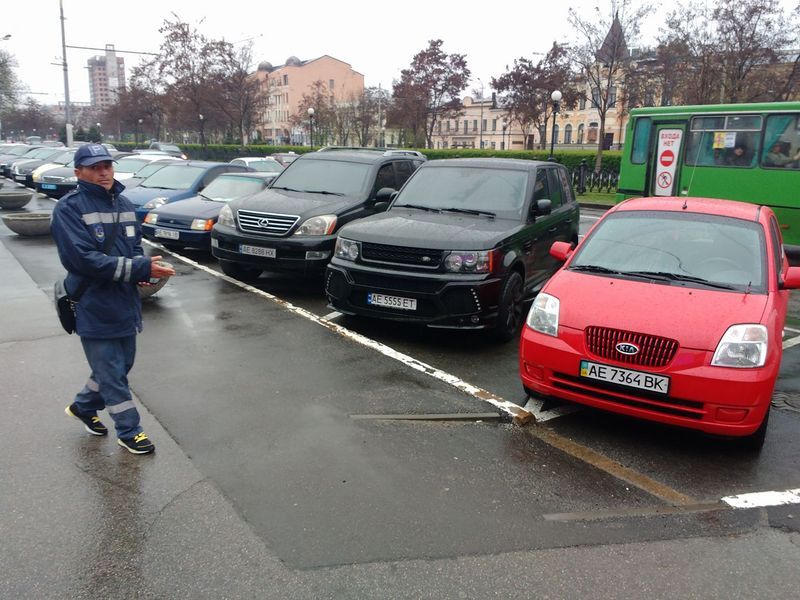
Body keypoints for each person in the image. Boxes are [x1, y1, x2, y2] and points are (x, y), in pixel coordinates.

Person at [51, 143, 175, 455]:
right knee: (112, 374)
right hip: (92, 303)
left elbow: (133, 251)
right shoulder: (69, 208)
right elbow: (83, 260)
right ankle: (130, 431)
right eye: (94, 167)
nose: (103, 171)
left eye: (107, 165)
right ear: (78, 172)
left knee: (120, 367)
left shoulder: (125, 203)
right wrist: (140, 267)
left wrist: (146, 271)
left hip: (124, 302)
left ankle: (82, 406)